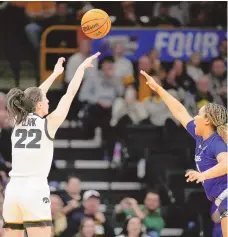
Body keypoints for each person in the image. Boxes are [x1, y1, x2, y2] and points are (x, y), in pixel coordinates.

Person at [2, 52, 100, 237]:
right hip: (34, 188)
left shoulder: (18, 120)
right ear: (39, 105)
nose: (48, 101)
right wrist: (80, 69)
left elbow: (33, 98)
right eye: (46, 100)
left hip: (13, 189)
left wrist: (55, 75)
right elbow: (70, 94)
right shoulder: (48, 123)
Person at [140, 70, 227, 237]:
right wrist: (159, 89)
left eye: (199, 114)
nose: (194, 117)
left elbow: (226, 164)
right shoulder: (201, 136)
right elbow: (179, 111)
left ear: (207, 121)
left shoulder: (217, 143)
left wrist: (204, 175)